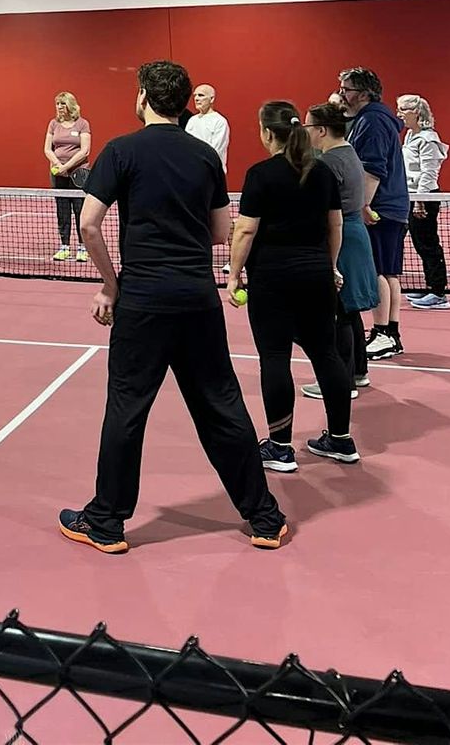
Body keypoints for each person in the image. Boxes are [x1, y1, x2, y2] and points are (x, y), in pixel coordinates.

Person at [58, 61, 287, 554]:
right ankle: (265, 518)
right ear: (184, 102)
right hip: (197, 299)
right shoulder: (205, 156)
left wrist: (110, 286)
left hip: (143, 301)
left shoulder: (121, 150)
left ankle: (107, 522)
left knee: (127, 407)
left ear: (143, 96)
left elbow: (89, 224)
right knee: (221, 404)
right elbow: (221, 232)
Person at [228, 102, 359, 472]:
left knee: (275, 357)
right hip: (316, 276)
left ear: (268, 132)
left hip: (272, 279)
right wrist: (330, 266)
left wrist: (234, 275)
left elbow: (246, 230)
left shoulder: (260, 174)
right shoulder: (323, 172)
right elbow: (336, 225)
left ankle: (281, 447)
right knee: (326, 354)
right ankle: (340, 439)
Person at [302, 101, 379, 397]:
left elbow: (322, 210)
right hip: (354, 235)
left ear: (321, 130)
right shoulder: (350, 154)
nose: (305, 132)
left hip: (342, 238)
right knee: (348, 309)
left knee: (337, 313)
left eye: (308, 126)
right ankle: (358, 372)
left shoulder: (328, 163)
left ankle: (340, 383)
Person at [338, 68, 410, 359]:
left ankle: (382, 332)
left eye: (346, 89)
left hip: (380, 207)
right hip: (391, 207)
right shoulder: (375, 119)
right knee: (388, 271)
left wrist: (363, 205)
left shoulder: (373, 121)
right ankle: (390, 333)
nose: (342, 94)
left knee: (377, 270)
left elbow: (372, 168)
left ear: (364, 93)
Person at [398, 94, 450, 311]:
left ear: (416, 113)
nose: (399, 114)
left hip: (425, 198)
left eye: (403, 110)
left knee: (427, 243)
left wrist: (420, 201)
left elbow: (429, 173)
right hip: (410, 196)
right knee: (419, 243)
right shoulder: (411, 135)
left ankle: (438, 293)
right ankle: (430, 285)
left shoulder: (429, 139)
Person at [45, 92, 91, 262]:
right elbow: (47, 149)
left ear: (70, 105)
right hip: (59, 173)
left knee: (80, 210)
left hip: (79, 173)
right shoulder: (53, 124)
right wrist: (58, 164)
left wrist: (67, 166)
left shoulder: (82, 124)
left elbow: (85, 150)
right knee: (62, 211)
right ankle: (64, 247)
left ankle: (82, 247)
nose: (59, 107)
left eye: (62, 104)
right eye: (57, 104)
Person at [186, 84, 230, 169]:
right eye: (195, 95)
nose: (196, 98)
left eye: (201, 95)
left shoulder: (219, 121)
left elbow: (215, 150)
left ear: (212, 99)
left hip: (210, 170)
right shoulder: (192, 120)